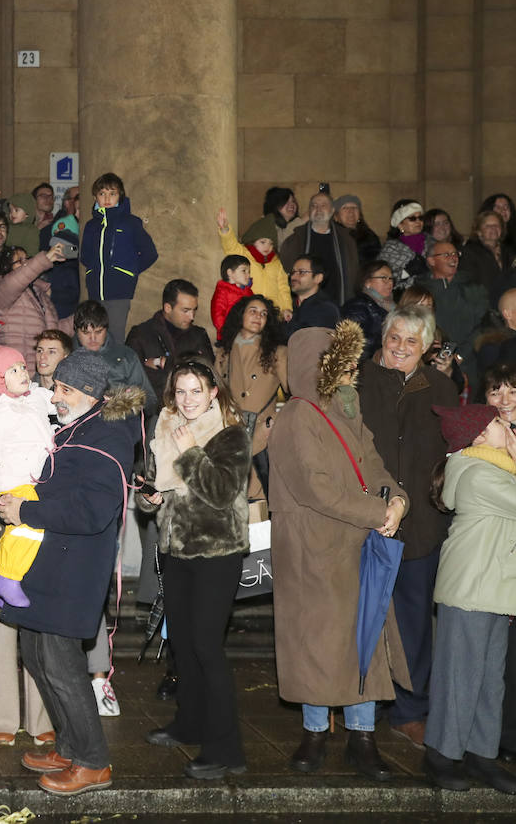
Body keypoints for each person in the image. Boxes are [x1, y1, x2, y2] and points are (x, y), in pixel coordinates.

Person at [0, 349, 145, 796]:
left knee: (62, 666)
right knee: (38, 657)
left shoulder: (106, 435)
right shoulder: (82, 426)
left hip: (73, 571)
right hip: (52, 563)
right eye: (57, 387)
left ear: (90, 393)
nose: (55, 396)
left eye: (64, 390)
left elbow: (91, 510)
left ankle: (93, 762)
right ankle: (70, 744)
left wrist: (26, 508)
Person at [268, 322, 409, 781]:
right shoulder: (297, 415)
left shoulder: (348, 410)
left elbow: (374, 464)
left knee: (363, 637)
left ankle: (362, 736)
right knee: (317, 644)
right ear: (318, 366)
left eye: (352, 362)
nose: (352, 370)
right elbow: (315, 489)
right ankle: (314, 732)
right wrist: (378, 512)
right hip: (314, 552)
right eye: (342, 363)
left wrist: (397, 500)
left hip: (356, 546)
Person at [137, 358, 252, 779]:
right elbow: (154, 484)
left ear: (212, 393)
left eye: (196, 391)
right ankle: (189, 723)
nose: (187, 400)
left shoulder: (230, 435)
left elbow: (221, 493)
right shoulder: (165, 429)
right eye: (180, 391)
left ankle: (228, 750)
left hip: (217, 552)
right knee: (182, 645)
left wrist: (190, 453)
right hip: (175, 551)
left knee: (206, 645)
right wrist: (147, 500)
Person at [357, 305, 458, 751]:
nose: (399, 347)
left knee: (414, 620)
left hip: (420, 526)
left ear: (428, 346)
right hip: (363, 520)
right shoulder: (356, 382)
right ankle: (362, 703)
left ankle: (410, 710)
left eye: (411, 341)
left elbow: (457, 453)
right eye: (394, 337)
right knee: (364, 617)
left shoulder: (442, 388)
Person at [423, 403, 516, 795]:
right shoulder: (474, 472)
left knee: (489, 680)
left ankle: (480, 755)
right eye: (502, 423)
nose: (512, 428)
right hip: (470, 589)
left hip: (495, 588)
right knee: (460, 677)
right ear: (481, 435)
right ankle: (440, 754)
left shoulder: (500, 469)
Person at [0, 345, 56, 607]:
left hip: (40, 480)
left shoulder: (36, 397)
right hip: (15, 482)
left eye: (22, 367)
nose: (23, 373)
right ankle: (7, 577)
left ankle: (4, 555)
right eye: (13, 370)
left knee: (35, 532)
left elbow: (60, 399)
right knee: (32, 527)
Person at [481, 364, 516, 767]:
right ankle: (506, 735)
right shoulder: (481, 437)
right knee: (507, 655)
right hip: (498, 556)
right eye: (496, 392)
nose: (504, 401)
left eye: (513, 391)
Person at [215, 295, 287, 485]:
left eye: (264, 314)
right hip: (230, 436)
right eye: (253, 311)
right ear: (241, 316)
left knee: (261, 497)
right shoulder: (224, 353)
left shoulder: (277, 353)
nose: (258, 317)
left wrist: (273, 423)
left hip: (263, 437)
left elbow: (296, 393)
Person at [79, 172, 158, 343]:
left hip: (119, 291)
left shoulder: (130, 223)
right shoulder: (92, 225)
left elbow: (150, 253)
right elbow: (84, 256)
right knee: (94, 337)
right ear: (95, 197)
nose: (107, 198)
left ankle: (115, 369)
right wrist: (94, 269)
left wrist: (128, 270)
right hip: (95, 290)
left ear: (120, 196)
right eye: (102, 194)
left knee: (114, 336)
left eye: (112, 193)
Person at [0, 242, 76, 365]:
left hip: (40, 364)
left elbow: (53, 331)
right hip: (16, 366)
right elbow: (16, 280)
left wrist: (78, 319)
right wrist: (44, 259)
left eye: (27, 259)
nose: (26, 263)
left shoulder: (40, 292)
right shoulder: (1, 288)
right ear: (6, 267)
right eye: (20, 260)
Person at [126, 278, 213, 398]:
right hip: (152, 412)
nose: (191, 316)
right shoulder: (140, 334)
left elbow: (207, 374)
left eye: (194, 310)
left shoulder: (199, 335)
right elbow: (132, 378)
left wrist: (164, 363)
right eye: (186, 310)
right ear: (167, 308)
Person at [72, 301, 158, 408]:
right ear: (76, 330)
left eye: (98, 332)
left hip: (120, 416)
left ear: (106, 329)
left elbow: (149, 399)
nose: (93, 339)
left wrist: (127, 401)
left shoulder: (126, 356)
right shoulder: (66, 354)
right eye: (86, 333)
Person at [280, 192, 360, 305]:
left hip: (337, 301)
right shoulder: (296, 238)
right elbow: (285, 272)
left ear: (332, 211)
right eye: (314, 205)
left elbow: (353, 274)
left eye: (323, 205)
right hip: (304, 304)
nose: (318, 209)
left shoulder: (346, 240)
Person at [417, 241, 488, 366]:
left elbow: (483, 324)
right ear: (431, 261)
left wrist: (461, 355)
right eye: (446, 254)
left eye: (455, 254)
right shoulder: (420, 291)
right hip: (429, 361)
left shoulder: (473, 288)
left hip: (468, 361)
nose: (453, 257)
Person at [216, 210, 291, 320]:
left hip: (272, 314)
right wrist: (225, 229)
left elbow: (283, 287)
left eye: (271, 243)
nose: (267, 247)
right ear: (253, 241)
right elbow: (231, 246)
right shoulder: (245, 254)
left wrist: (286, 308)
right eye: (263, 242)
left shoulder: (276, 263)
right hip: (249, 312)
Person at [340, 261, 397, 360]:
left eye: (391, 278)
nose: (390, 282)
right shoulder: (357, 306)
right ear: (367, 282)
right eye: (384, 278)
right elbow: (353, 345)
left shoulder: (392, 306)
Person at [376, 201, 430, 289]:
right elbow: (381, 278)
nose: (418, 221)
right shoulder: (391, 249)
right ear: (400, 225)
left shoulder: (431, 243)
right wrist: (406, 272)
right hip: (402, 296)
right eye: (412, 218)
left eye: (420, 218)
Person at [286, 255, 341, 336]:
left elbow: (300, 338)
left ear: (318, 278)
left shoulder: (326, 309)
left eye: (302, 272)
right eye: (293, 272)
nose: (293, 277)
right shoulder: (288, 304)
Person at [210, 254, 253, 341]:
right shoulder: (222, 291)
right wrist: (227, 333)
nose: (248, 275)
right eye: (244, 271)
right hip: (228, 338)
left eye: (249, 272)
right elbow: (217, 315)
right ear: (230, 273)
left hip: (248, 335)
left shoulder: (249, 292)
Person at [333, 194, 383, 266]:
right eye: (345, 208)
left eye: (354, 208)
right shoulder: (332, 236)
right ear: (336, 216)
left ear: (359, 215)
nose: (350, 211)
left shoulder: (369, 237)